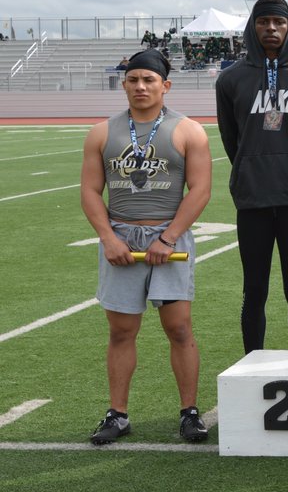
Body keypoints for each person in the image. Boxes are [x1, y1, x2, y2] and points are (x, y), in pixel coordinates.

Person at [81, 50, 213, 444]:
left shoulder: (189, 130)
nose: (140, 86)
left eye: (149, 80)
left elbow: (200, 190)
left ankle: (189, 412)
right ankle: (118, 414)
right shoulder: (102, 132)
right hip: (121, 239)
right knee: (121, 331)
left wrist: (168, 238)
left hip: (169, 239)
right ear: (124, 84)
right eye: (133, 79)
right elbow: (89, 191)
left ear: (165, 85)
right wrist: (108, 238)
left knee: (179, 327)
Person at [216, 0, 288, 354]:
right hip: (252, 198)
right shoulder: (230, 79)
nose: (271, 28)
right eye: (263, 22)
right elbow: (231, 139)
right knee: (255, 289)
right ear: (253, 26)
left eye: (279, 22)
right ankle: (252, 362)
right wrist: (252, 165)